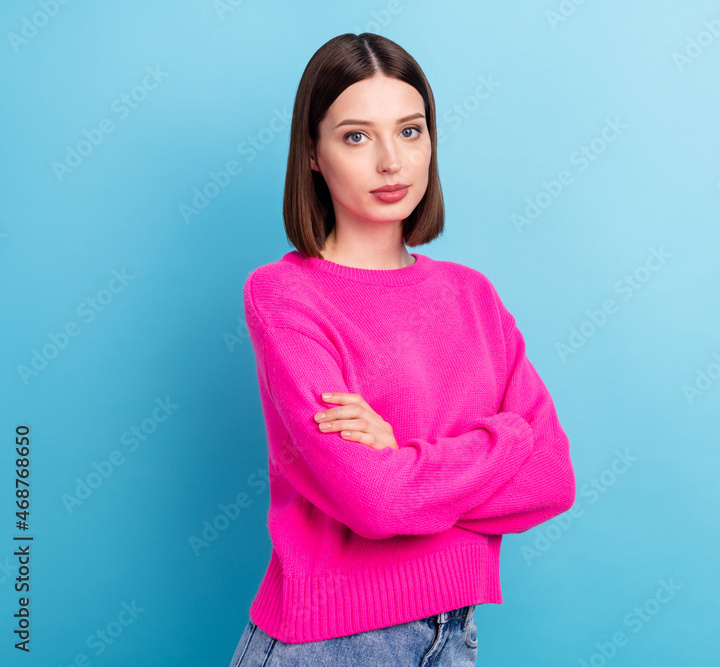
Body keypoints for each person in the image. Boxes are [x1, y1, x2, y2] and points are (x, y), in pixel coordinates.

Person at [229, 32, 576, 666]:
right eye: (357, 137)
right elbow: (375, 503)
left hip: (455, 635)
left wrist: (402, 455)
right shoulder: (285, 296)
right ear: (313, 153)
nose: (392, 162)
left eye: (410, 131)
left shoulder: (472, 295)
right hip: (329, 645)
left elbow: (552, 481)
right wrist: (509, 440)